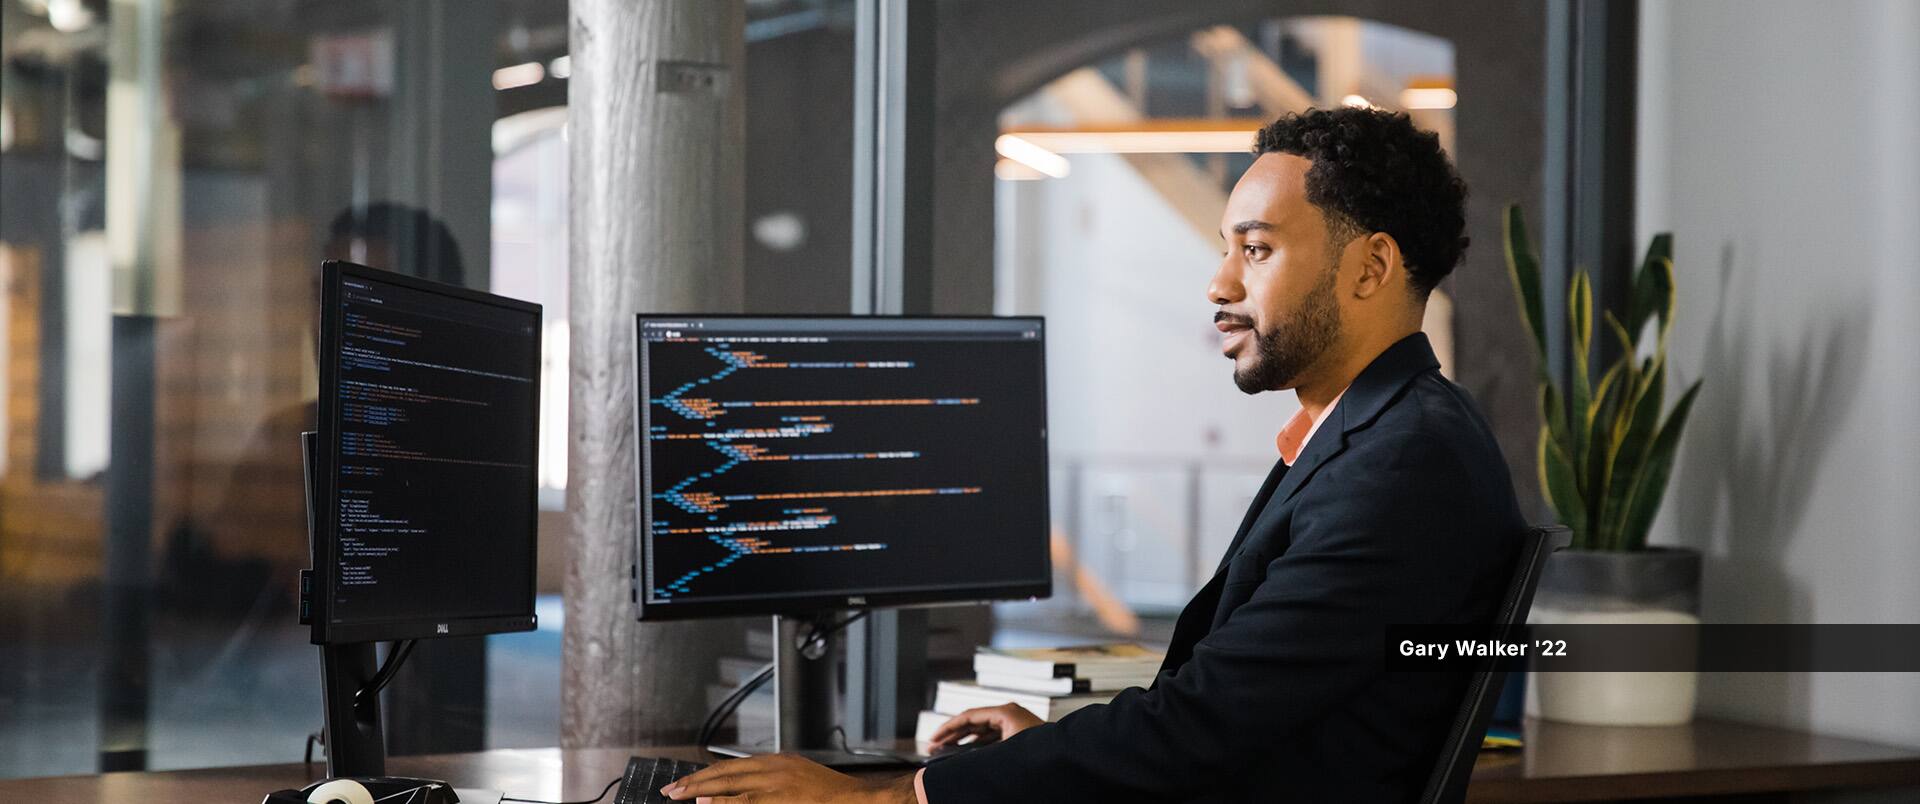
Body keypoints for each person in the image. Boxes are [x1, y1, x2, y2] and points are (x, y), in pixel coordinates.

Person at [665, 107, 1526, 803]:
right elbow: (1235, 706)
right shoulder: (1386, 436)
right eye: (1225, 247)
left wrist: (891, 799)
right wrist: (1045, 752)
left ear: (1371, 267)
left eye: (1255, 249)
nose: (1219, 284)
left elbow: (1202, 727)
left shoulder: (1400, 466)